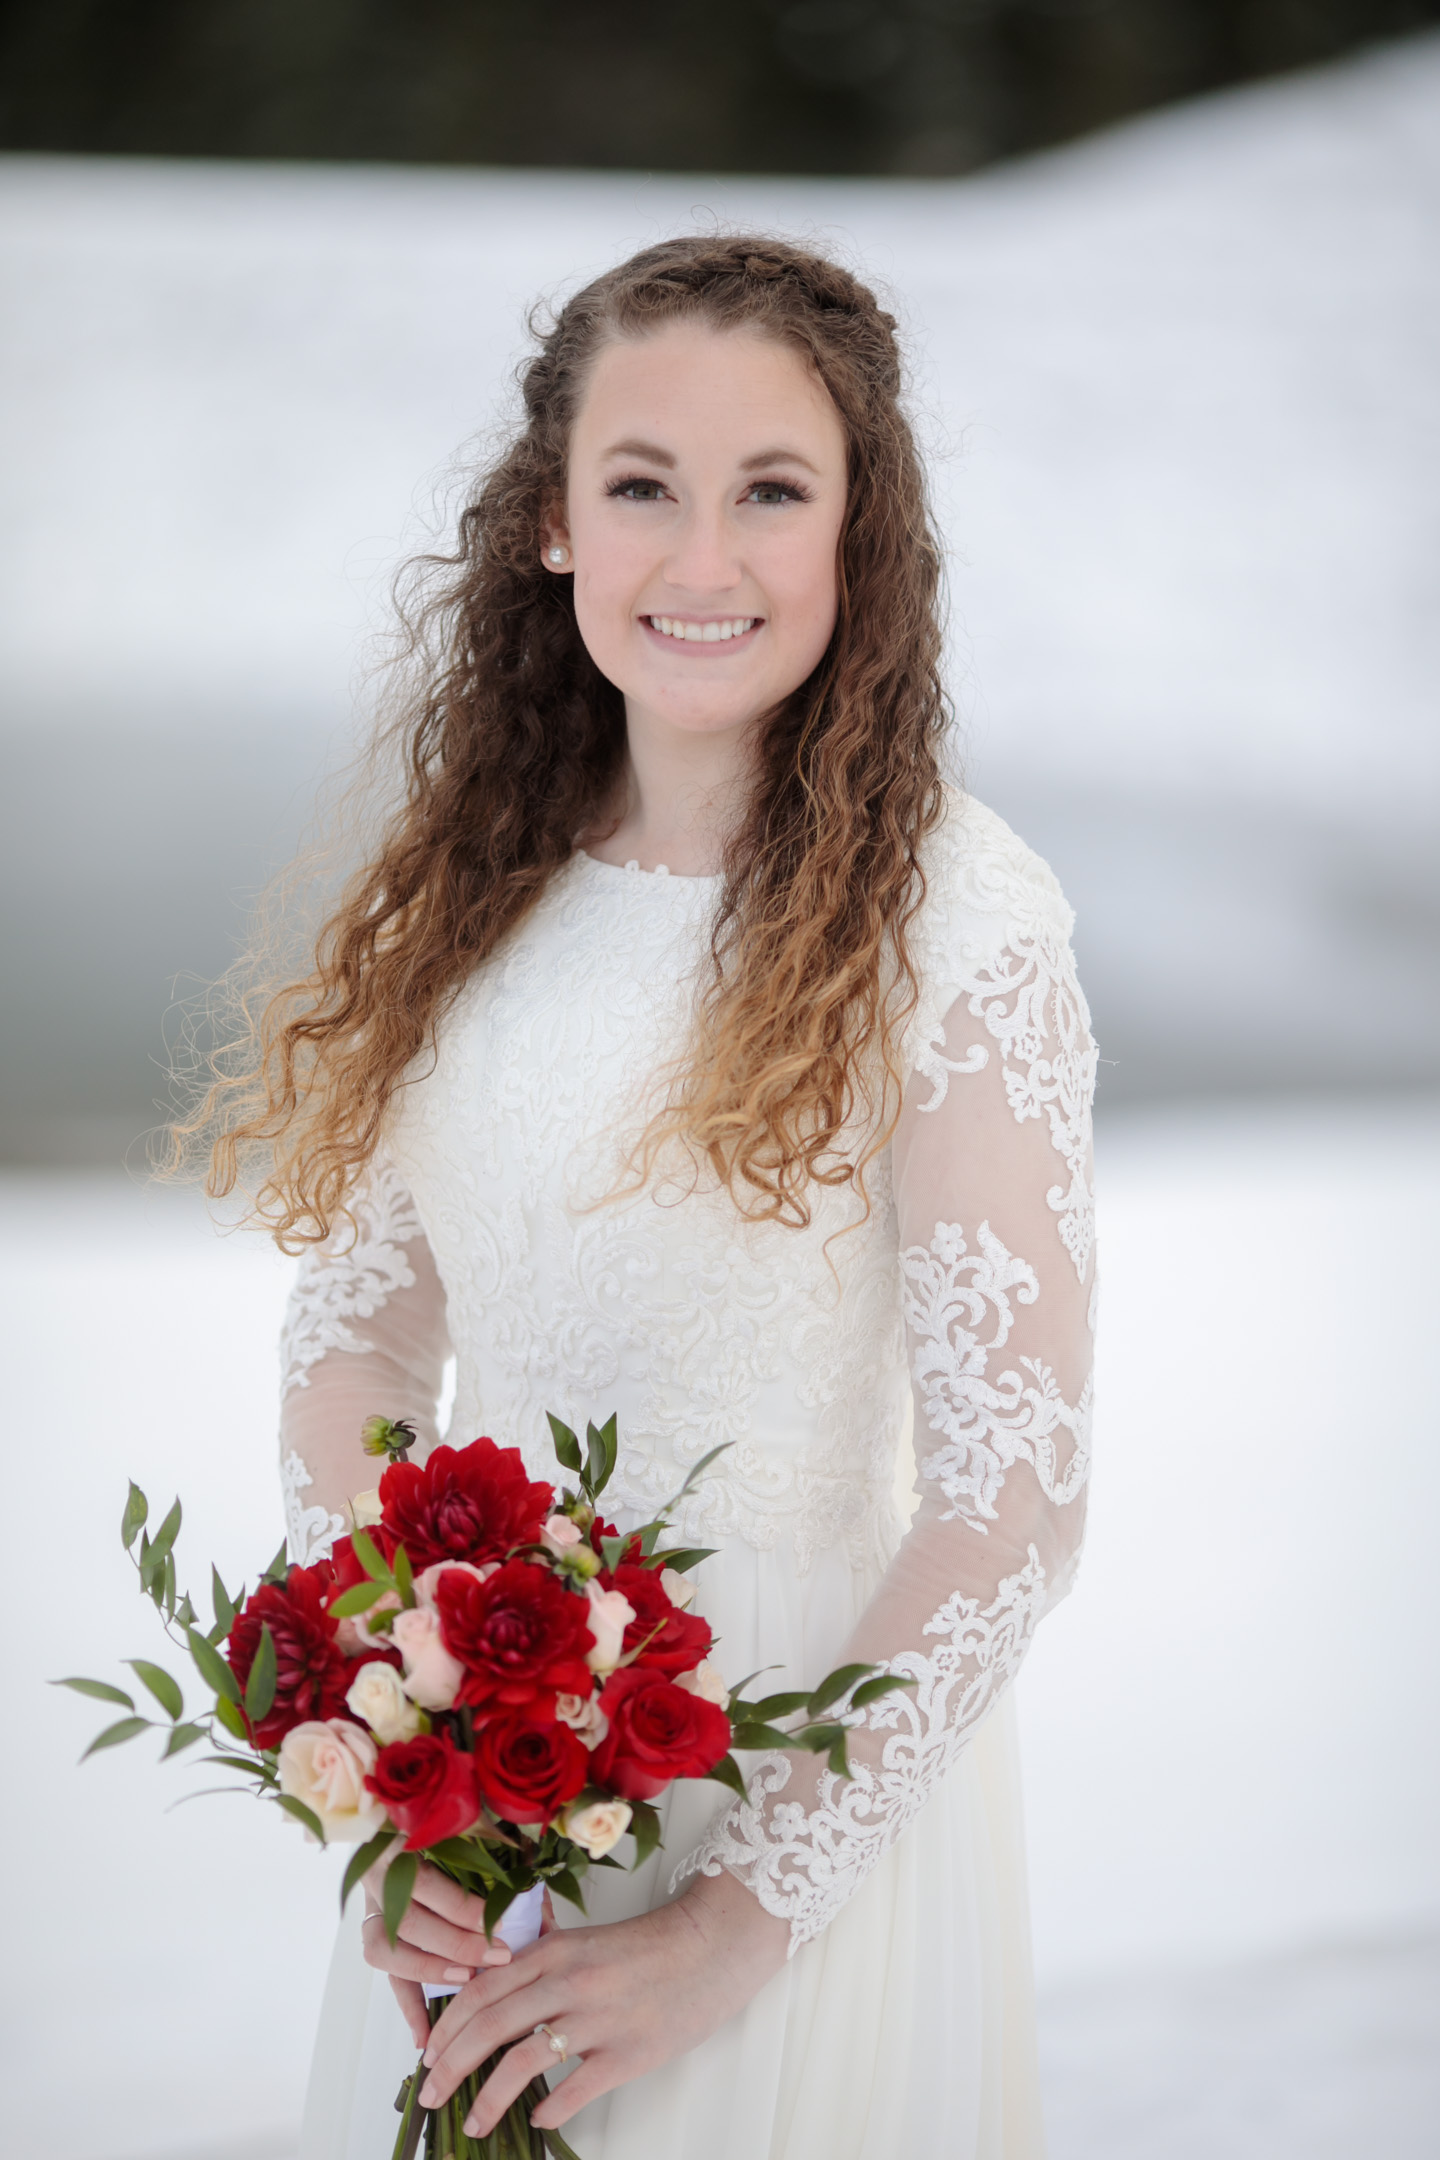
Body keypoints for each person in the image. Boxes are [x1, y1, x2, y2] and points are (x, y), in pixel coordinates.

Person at [202, 234, 1095, 2159]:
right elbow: (355, 1340)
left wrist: (727, 1928)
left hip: (793, 1800)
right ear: (549, 525)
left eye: (773, 491)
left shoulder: (955, 918)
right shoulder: (474, 889)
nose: (705, 562)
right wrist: (390, 1752)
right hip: (479, 1824)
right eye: (643, 488)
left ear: (864, 538)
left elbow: (1014, 1492)